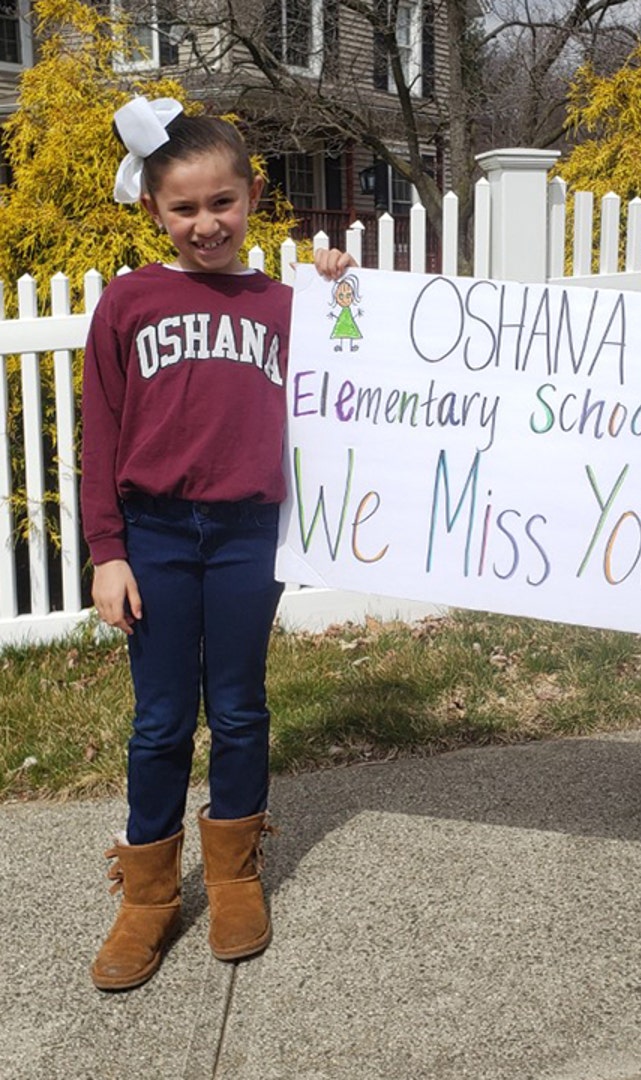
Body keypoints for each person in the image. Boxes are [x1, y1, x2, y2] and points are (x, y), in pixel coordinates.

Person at [81, 95, 356, 991]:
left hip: (247, 536)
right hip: (155, 534)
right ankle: (150, 895)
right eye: (185, 208)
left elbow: (364, 357)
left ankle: (236, 873)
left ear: (252, 196)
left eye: (222, 203)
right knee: (159, 720)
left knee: (239, 708)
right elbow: (100, 434)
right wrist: (106, 550)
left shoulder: (287, 306)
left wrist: (340, 282)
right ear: (155, 211)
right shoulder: (130, 301)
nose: (206, 224)